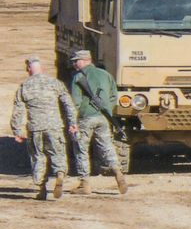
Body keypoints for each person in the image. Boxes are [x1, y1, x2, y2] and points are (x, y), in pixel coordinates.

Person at [10, 55, 77, 200]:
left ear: (28, 69)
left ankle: (42, 188)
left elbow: (18, 110)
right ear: (42, 68)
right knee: (58, 154)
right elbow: (68, 104)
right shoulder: (54, 83)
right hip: (54, 126)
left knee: (38, 157)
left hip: (35, 127)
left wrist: (17, 130)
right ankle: (59, 174)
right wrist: (72, 122)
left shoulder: (24, 86)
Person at [66, 50, 127, 195]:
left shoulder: (79, 77)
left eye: (76, 61)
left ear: (84, 60)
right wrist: (107, 110)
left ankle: (84, 184)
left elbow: (75, 102)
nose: (74, 64)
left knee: (81, 149)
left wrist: (72, 121)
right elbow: (113, 96)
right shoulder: (106, 74)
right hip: (103, 117)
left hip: (85, 118)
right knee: (106, 147)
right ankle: (118, 173)